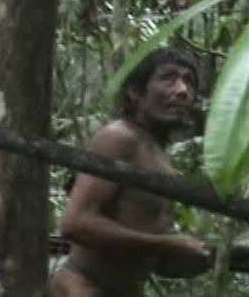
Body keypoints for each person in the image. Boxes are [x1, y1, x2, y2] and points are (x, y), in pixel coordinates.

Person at [51, 48, 211, 296]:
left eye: (188, 81)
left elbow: (135, 248)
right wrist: (165, 244)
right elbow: (75, 223)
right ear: (135, 93)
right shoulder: (119, 137)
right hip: (84, 288)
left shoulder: (156, 153)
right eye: (169, 78)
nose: (182, 90)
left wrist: (176, 259)